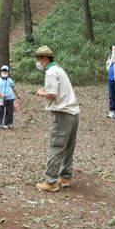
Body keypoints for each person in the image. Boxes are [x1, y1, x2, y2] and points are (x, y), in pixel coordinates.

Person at [34, 46, 80, 192]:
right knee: (68, 147)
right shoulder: (59, 69)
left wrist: (41, 92)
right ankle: (65, 177)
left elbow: (52, 94)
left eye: (39, 59)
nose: (38, 62)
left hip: (63, 113)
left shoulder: (51, 72)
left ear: (45, 59)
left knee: (55, 146)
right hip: (73, 113)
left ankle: (51, 182)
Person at [0, 65, 19, 129]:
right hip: (2, 98)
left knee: (9, 111)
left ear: (8, 72)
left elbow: (13, 88)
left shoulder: (10, 80)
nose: (4, 72)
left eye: (6, 71)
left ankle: (6, 124)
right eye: (3, 70)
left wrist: (17, 95)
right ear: (1, 71)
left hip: (10, 98)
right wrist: (0, 94)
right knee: (0, 110)